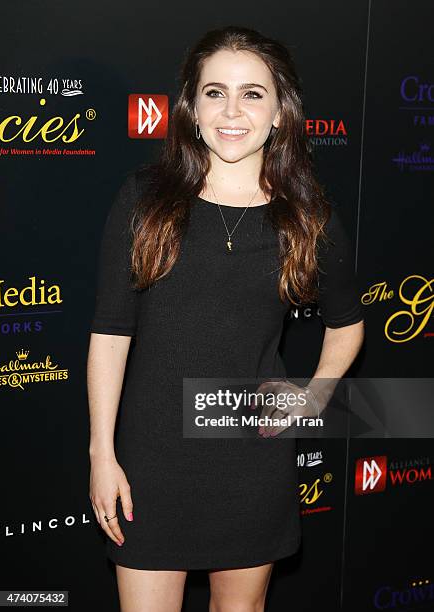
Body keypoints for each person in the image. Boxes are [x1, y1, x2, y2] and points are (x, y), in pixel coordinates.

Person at [87, 25, 364, 612]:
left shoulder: (308, 219)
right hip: (149, 460)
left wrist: (313, 397)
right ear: (190, 107)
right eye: (215, 92)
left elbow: (347, 322)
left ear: (281, 113)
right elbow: (110, 334)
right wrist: (102, 454)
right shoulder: (144, 199)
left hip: (250, 461)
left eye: (253, 94)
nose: (232, 111)